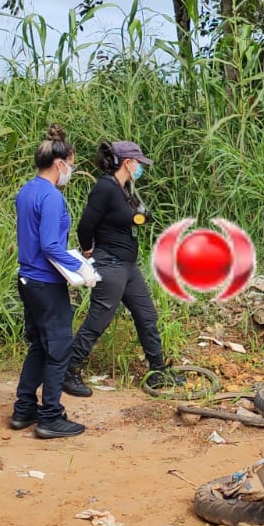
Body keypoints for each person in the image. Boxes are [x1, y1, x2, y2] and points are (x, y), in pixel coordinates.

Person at [62, 141, 185, 395]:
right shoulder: (105, 187)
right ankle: (68, 370)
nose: (140, 167)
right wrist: (89, 249)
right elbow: (86, 224)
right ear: (128, 163)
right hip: (111, 263)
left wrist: (139, 217)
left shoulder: (123, 189)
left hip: (128, 266)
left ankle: (157, 371)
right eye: (138, 163)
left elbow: (130, 218)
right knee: (99, 319)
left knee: (147, 315)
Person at [11, 124, 90, 439]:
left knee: (39, 346)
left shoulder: (27, 190)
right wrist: (81, 268)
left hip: (28, 279)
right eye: (72, 164)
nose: (72, 170)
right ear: (60, 163)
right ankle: (50, 417)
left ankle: (23, 409)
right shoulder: (52, 197)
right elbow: (50, 246)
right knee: (59, 349)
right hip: (46, 282)